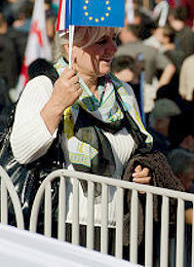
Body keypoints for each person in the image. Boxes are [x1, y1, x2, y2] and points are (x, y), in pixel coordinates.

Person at [10, 25, 153, 243]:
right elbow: (22, 150)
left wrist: (141, 171)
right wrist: (57, 104)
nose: (113, 48)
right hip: (58, 228)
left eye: (113, 39)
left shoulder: (124, 92)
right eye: (101, 42)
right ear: (71, 48)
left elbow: (138, 149)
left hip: (115, 232)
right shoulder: (45, 85)